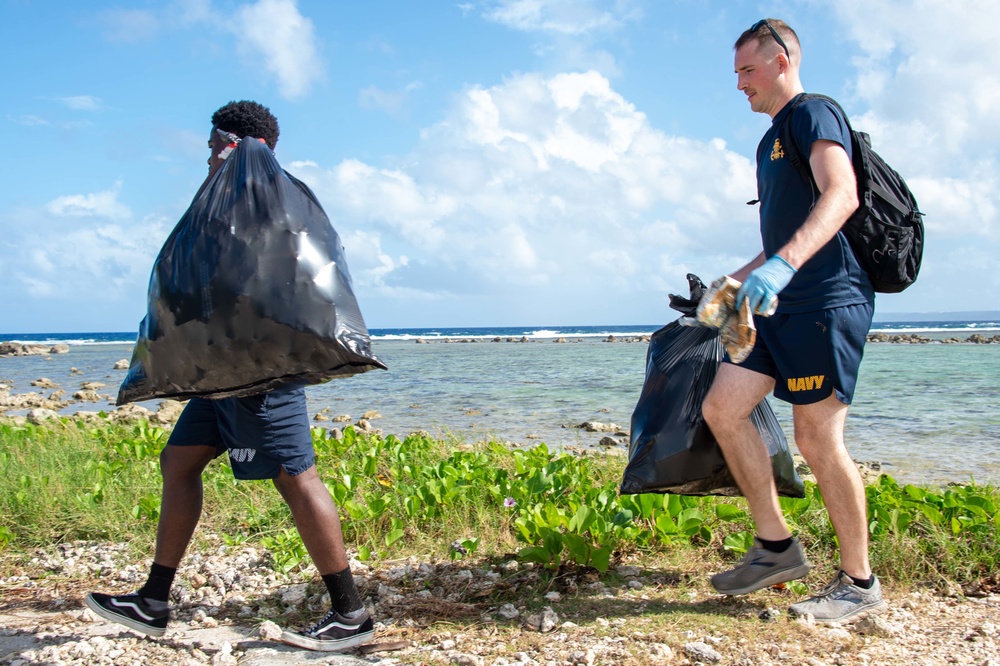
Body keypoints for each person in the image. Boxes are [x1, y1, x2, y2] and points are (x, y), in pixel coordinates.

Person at [85, 100, 374, 652]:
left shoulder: (266, 197)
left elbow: (273, 283)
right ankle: (152, 600)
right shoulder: (234, 201)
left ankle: (350, 615)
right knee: (180, 459)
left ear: (235, 144)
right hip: (220, 371)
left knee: (295, 476)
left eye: (214, 144)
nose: (208, 155)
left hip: (258, 372)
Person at [700, 20, 886, 624]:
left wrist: (780, 268)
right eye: (736, 75)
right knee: (722, 409)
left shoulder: (814, 114)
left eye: (747, 71)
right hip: (777, 304)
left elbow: (842, 195)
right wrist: (733, 284)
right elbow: (780, 236)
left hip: (825, 301)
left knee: (816, 440)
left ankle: (859, 584)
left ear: (780, 61)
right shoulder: (769, 140)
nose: (739, 85)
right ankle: (776, 548)